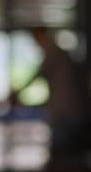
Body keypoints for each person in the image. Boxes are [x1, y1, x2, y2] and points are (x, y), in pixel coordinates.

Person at [9, 26, 84, 161]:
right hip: (66, 109)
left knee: (63, 153)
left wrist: (17, 93)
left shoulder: (53, 51)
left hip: (64, 111)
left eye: (36, 38)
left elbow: (38, 75)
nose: (36, 42)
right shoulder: (57, 52)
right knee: (65, 151)